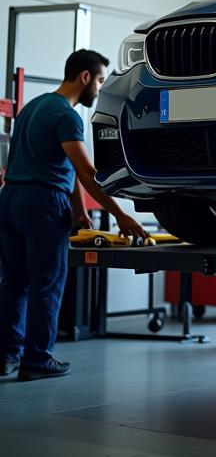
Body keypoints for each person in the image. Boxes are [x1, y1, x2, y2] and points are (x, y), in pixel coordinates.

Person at [0, 49, 146, 381]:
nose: (100, 87)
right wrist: (121, 215)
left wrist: (80, 212)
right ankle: (37, 359)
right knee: (46, 284)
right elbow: (86, 172)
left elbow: (64, 167)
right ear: (84, 77)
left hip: (10, 200)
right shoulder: (67, 116)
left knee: (14, 282)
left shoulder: (33, 107)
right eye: (98, 79)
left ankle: (6, 356)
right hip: (42, 204)